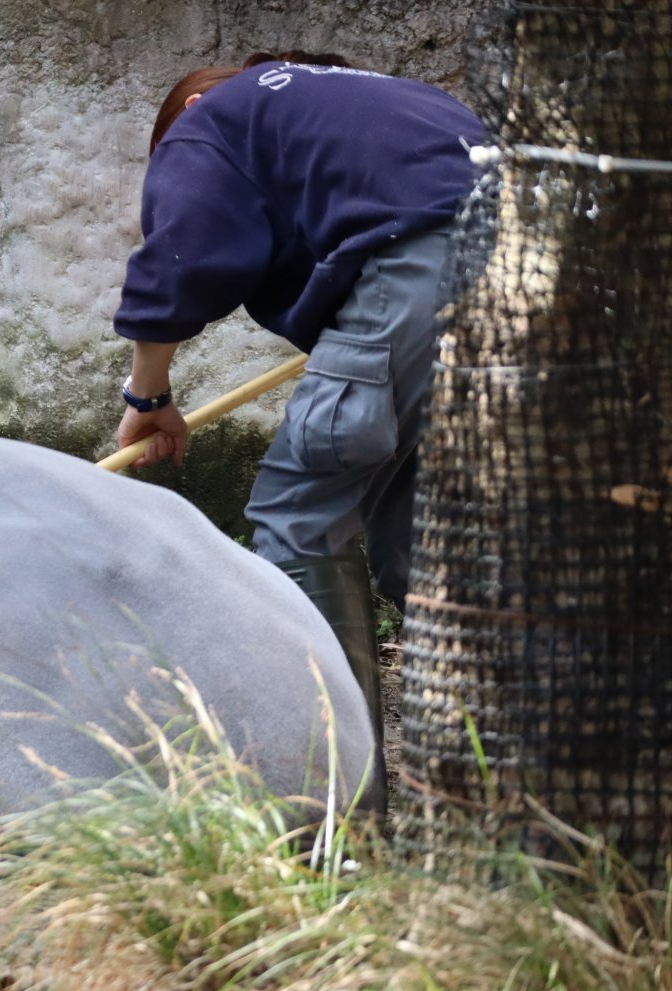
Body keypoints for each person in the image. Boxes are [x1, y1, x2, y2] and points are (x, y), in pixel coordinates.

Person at [111, 51, 484, 725]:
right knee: (419, 539)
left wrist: (149, 398)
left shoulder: (213, 118)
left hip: (420, 271)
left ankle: (334, 799)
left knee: (299, 519)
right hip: (539, 277)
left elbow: (180, 257)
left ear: (188, 116)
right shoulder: (373, 100)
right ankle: (512, 756)